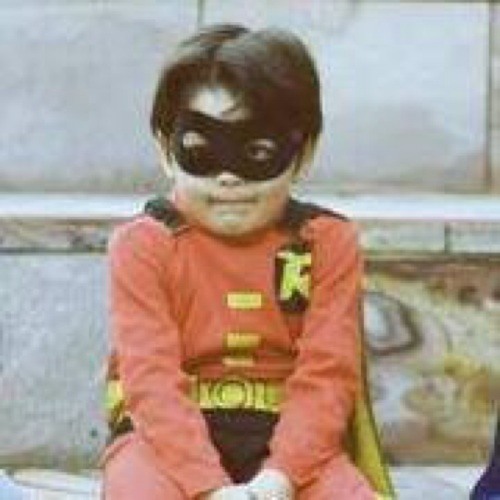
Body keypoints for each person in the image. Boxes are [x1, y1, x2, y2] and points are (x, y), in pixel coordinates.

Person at [101, 23, 393, 499]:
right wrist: (209, 488)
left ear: (303, 154)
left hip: (295, 447)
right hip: (163, 443)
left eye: (257, 150)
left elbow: (328, 374)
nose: (228, 177)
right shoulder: (144, 245)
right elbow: (150, 382)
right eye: (201, 150)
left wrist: (279, 481)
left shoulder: (326, 242)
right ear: (165, 149)